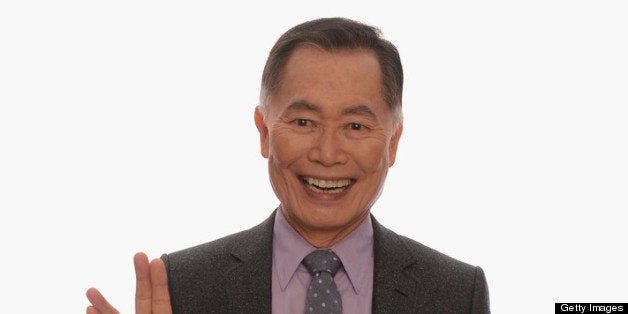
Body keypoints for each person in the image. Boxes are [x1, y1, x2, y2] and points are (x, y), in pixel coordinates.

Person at [86, 17, 490, 314]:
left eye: (355, 125)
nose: (327, 154)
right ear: (263, 132)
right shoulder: (184, 285)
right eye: (303, 122)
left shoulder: (456, 293)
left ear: (393, 142)